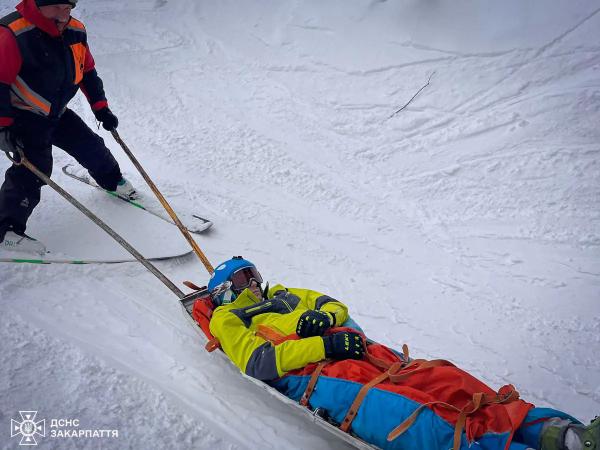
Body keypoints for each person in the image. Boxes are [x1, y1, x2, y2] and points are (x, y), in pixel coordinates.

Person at [203, 256, 599, 450]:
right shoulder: (229, 318)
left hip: (365, 351)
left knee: (451, 383)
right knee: (417, 415)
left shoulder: (286, 294)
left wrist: (323, 320)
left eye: (252, 273)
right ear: (224, 291)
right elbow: (256, 363)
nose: (252, 283)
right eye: (241, 279)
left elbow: (334, 304)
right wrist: (322, 344)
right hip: (318, 374)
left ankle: (561, 435)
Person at [0, 0, 136, 255]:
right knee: (34, 168)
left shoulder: (75, 30)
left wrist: (101, 108)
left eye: (69, 8)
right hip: (24, 115)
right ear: (38, 5)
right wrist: (3, 128)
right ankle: (5, 229)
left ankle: (111, 180)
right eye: (57, 8)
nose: (64, 15)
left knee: (90, 145)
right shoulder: (13, 33)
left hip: (56, 110)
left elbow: (88, 71)